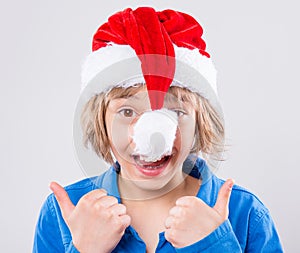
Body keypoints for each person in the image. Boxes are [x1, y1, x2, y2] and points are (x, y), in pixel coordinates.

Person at [32, 7, 284, 253]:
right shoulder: (63, 215)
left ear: (200, 121)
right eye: (128, 112)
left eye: (175, 112)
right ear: (102, 121)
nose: (152, 140)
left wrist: (214, 246)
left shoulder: (246, 213)